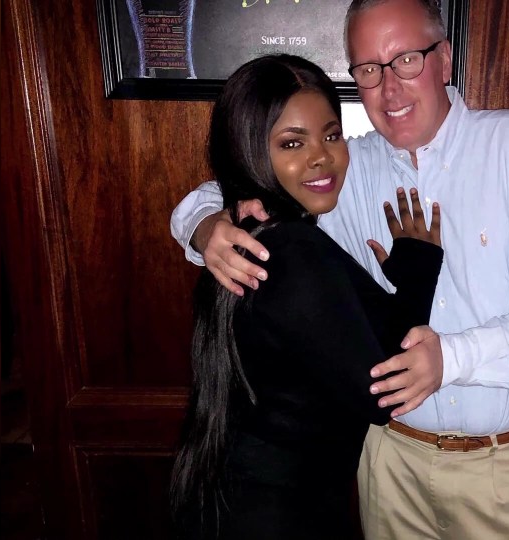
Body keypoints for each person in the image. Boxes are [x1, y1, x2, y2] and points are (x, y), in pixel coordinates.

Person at [170, 0, 509, 537]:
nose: (389, 90)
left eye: (407, 60)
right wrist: (202, 224)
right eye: (370, 70)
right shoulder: (347, 166)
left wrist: (452, 358)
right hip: (388, 461)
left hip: (501, 470)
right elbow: (249, 179)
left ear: (444, 59)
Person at [168, 54, 445, 539]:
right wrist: (419, 274)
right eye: (292, 143)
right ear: (252, 149)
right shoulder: (290, 250)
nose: (322, 156)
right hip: (280, 511)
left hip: (233, 500)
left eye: (332, 135)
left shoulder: (247, 234)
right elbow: (384, 390)